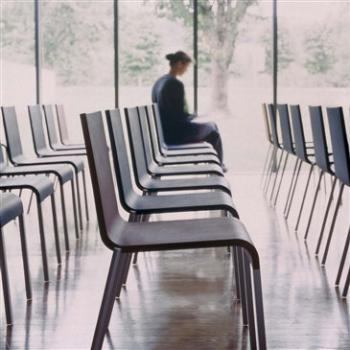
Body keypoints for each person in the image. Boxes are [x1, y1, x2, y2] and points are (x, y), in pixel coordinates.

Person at [151, 50, 226, 171]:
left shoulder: (158, 82)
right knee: (213, 130)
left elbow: (171, 112)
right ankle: (218, 168)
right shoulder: (175, 84)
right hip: (176, 134)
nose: (186, 70)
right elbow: (179, 117)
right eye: (186, 66)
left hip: (164, 133)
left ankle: (215, 167)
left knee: (211, 126)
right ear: (180, 64)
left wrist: (191, 116)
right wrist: (192, 117)